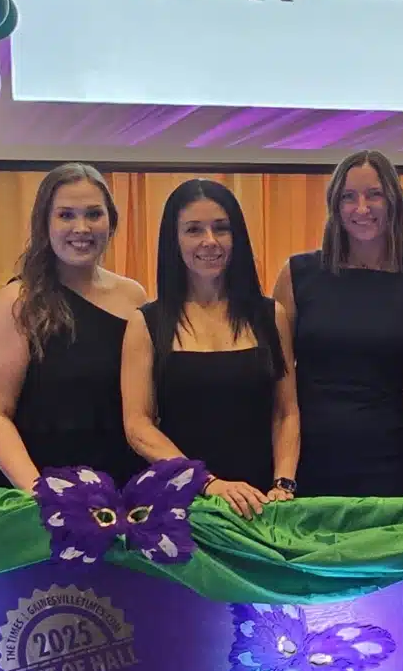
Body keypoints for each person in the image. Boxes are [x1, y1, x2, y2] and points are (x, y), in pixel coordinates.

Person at [122, 179, 299, 517]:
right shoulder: (146, 323)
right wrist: (205, 482)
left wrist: (283, 483)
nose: (210, 241)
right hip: (182, 503)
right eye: (193, 230)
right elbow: (138, 426)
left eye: (221, 228)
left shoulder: (270, 315)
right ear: (174, 240)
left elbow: (286, 412)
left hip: (262, 501)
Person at [274, 151, 403, 498]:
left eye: (374, 195)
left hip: (390, 458)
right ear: (334, 206)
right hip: (306, 455)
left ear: (394, 201)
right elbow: (278, 384)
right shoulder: (297, 275)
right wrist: (282, 474)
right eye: (348, 197)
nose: (361, 208)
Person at [0, 163, 146, 492]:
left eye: (93, 214)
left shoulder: (133, 296)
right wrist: (42, 492)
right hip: (37, 491)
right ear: (44, 223)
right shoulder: (19, 300)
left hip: (119, 488)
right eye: (66, 215)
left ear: (111, 222)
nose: (81, 227)